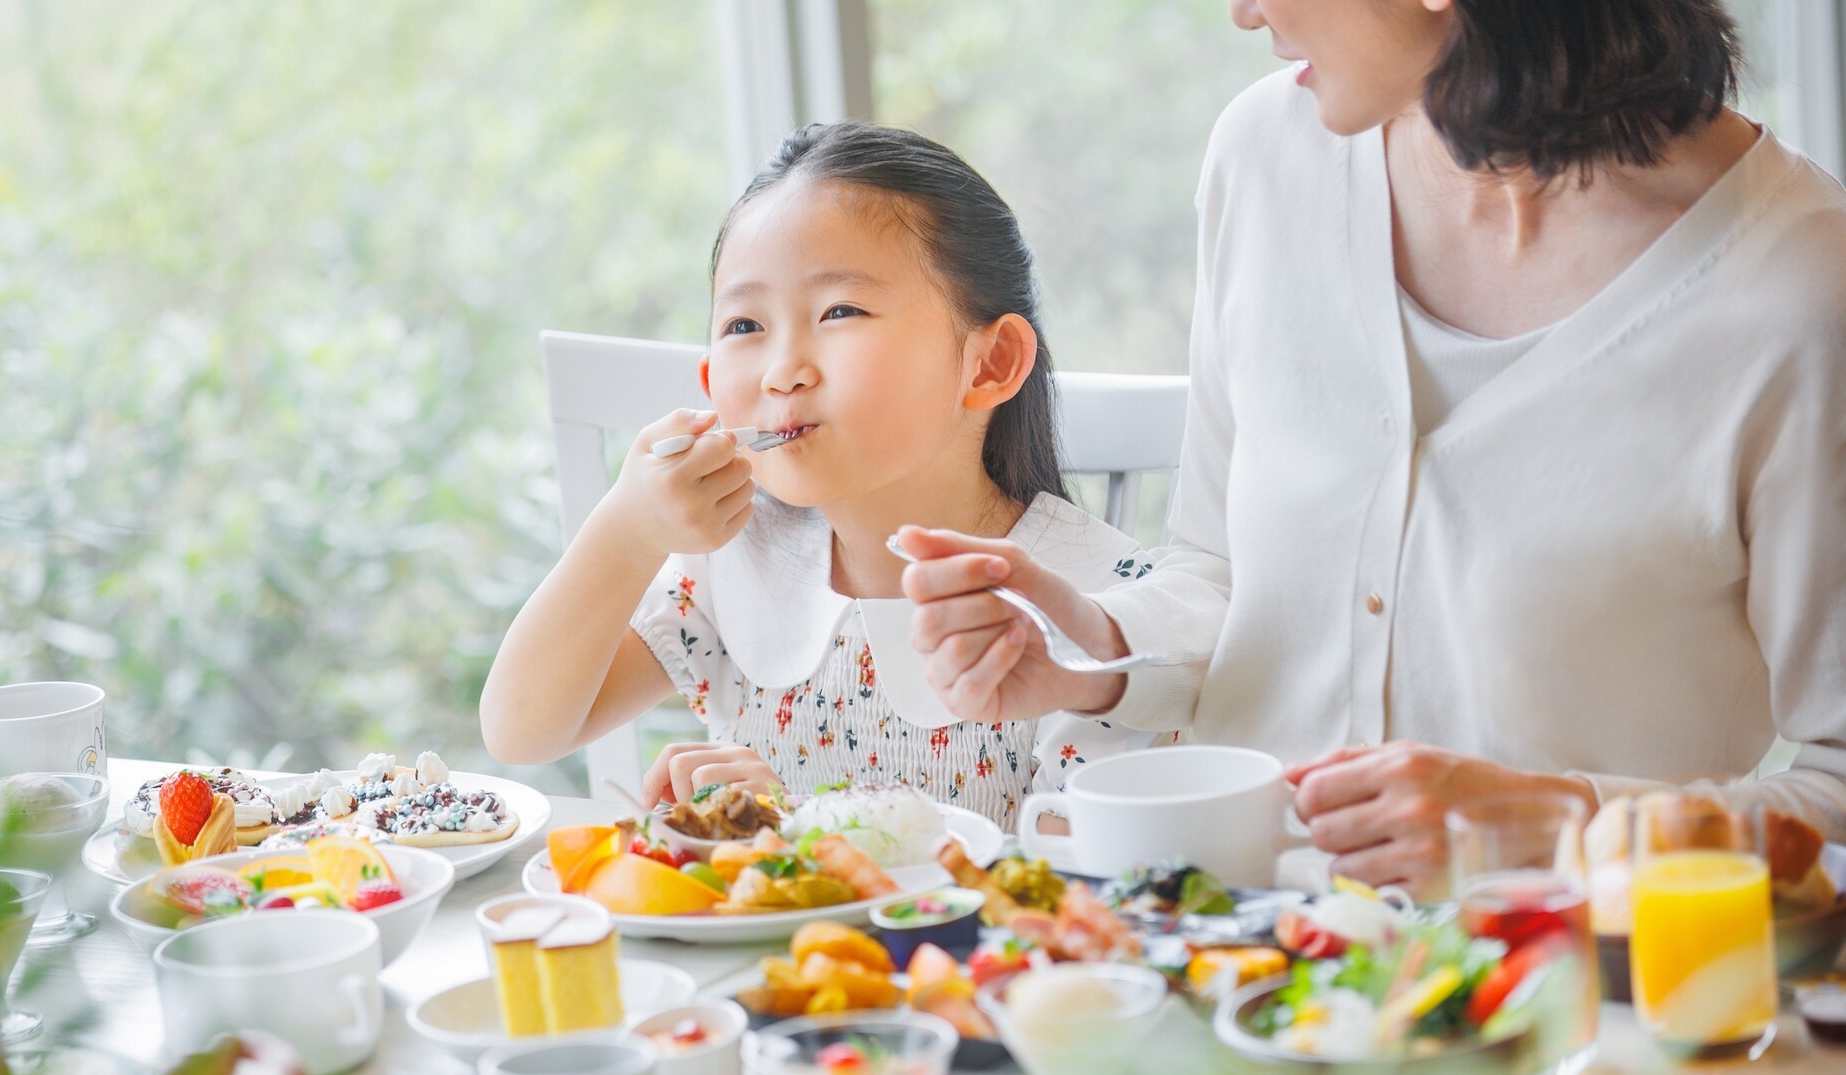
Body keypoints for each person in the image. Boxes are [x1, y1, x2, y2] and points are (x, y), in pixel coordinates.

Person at [899, 0, 1846, 893]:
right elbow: (1222, 566)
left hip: (1573, 1022)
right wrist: (1097, 650)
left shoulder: (1798, 291)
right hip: (1239, 982)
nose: (1242, 9)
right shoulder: (1264, 156)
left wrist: (1556, 825)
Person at [481, 122, 1171, 829]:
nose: (783, 370)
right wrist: (627, 529)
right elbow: (522, 730)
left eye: (840, 310)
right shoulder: (734, 558)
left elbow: (1071, 897)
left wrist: (800, 822)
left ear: (989, 364)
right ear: (710, 379)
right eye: (745, 325)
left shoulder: (1103, 614)